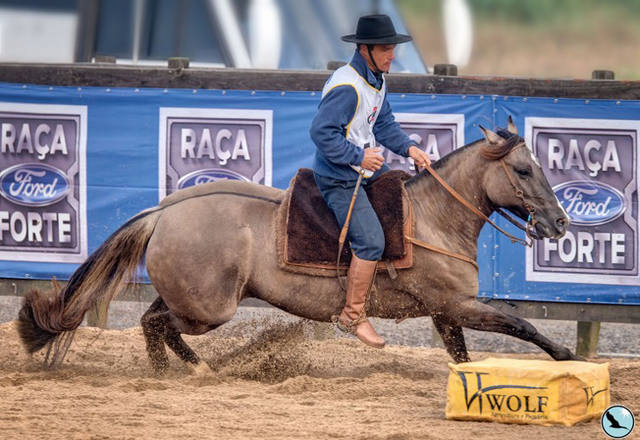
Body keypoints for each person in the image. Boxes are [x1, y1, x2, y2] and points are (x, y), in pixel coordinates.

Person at [310, 14, 431, 348]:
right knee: (371, 243)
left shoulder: (377, 79)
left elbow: (384, 123)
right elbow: (321, 133)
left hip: (361, 171)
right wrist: (358, 156)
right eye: (386, 49)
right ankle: (353, 314)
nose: (392, 55)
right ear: (365, 49)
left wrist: (410, 148)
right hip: (338, 177)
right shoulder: (348, 87)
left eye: (393, 48)